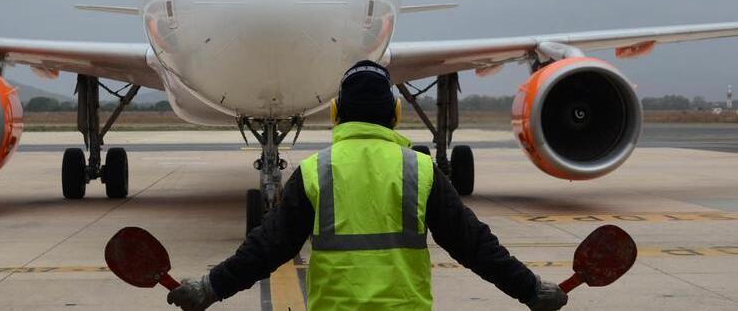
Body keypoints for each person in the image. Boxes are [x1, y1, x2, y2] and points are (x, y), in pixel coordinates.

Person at [167, 61, 568, 310]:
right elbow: (474, 246)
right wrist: (530, 289)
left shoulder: (314, 172)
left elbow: (265, 249)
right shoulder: (420, 170)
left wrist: (210, 288)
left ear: (337, 113)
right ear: (395, 113)